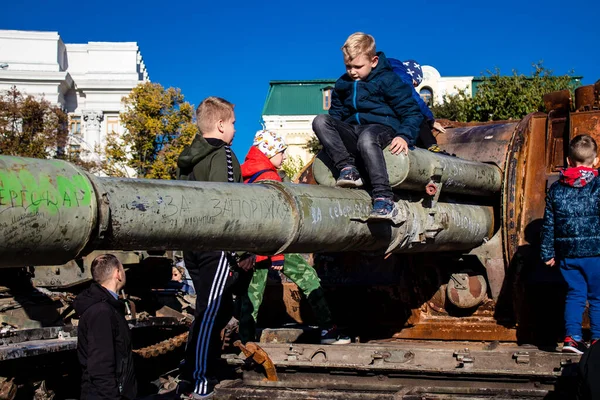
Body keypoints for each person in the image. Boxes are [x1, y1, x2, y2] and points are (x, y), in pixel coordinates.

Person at [238, 129, 351, 345]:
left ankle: (245, 342)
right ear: (269, 153)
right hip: (272, 247)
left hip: (253, 248)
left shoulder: (248, 174)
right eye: (282, 151)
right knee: (308, 277)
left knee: (252, 297)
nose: (285, 157)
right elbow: (276, 219)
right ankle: (328, 329)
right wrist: (279, 255)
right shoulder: (269, 177)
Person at [312, 32, 423, 220]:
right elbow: (336, 114)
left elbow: (412, 111)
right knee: (320, 121)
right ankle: (348, 169)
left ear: (373, 61)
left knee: (368, 137)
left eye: (358, 66)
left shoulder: (388, 80)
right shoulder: (343, 84)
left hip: (381, 128)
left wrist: (404, 135)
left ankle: (384, 198)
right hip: (353, 130)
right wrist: (332, 139)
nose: (352, 71)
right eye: (348, 66)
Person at [175, 96, 243, 399]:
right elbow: (226, 200)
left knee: (213, 308)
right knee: (210, 312)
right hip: (216, 244)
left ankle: (194, 370)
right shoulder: (224, 154)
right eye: (232, 123)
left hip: (192, 243)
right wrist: (236, 249)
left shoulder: (189, 157)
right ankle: (198, 379)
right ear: (220, 124)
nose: (234, 130)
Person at [541, 134, 600, 355]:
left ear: (567, 160)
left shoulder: (556, 189)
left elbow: (549, 224)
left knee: (576, 294)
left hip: (568, 255)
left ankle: (572, 339)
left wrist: (548, 252)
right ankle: (597, 340)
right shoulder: (598, 186)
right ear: (595, 161)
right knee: (597, 297)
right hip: (596, 253)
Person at [74, 254, 137, 400]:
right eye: (123, 269)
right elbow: (100, 367)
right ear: (118, 274)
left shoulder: (107, 307)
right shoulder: (102, 312)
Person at [388, 58, 446, 152]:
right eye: (414, 84)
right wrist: (431, 120)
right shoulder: (402, 75)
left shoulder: (385, 70)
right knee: (417, 113)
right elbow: (415, 99)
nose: (413, 87)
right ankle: (431, 145)